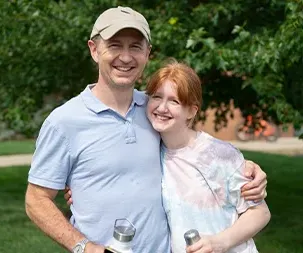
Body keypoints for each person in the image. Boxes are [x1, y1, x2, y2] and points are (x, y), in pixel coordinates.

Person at [25, 6, 268, 253]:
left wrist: (243, 167)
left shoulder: (153, 110)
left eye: (135, 47)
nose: (126, 57)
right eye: (115, 45)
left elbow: (192, 148)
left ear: (147, 54)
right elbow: (36, 200)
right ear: (94, 50)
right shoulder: (64, 122)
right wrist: (85, 247)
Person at [147, 60, 271, 253]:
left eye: (174, 101)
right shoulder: (152, 150)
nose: (162, 107)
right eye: (156, 97)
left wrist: (218, 243)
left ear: (191, 111)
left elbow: (260, 213)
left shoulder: (219, 154)